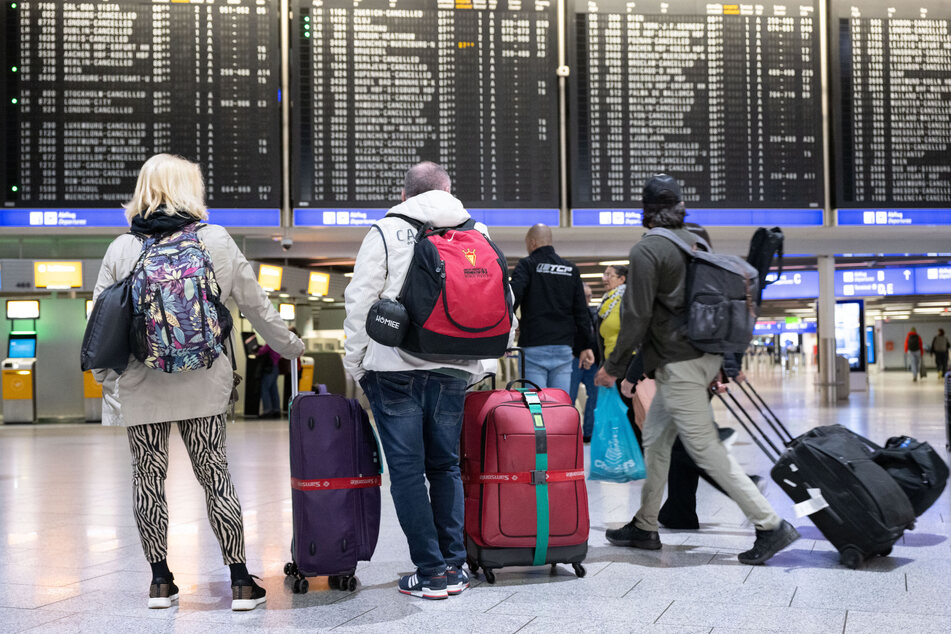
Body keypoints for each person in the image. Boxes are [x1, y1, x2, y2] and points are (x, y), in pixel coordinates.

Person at [92, 154, 304, 610]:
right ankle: (241, 581)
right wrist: (290, 347)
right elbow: (256, 306)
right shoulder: (217, 241)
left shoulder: (122, 249)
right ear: (193, 189)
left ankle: (160, 582)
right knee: (216, 477)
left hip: (141, 384)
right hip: (205, 382)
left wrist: (109, 385)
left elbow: (100, 325)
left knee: (147, 480)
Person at [594, 173, 799, 565]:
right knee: (655, 441)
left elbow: (636, 316)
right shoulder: (695, 241)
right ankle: (645, 524)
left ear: (646, 211)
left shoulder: (648, 250)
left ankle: (770, 524)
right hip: (698, 359)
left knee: (704, 449)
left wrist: (614, 367)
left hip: (681, 366)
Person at [344, 161, 515, 600]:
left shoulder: (385, 230)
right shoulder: (479, 233)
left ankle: (430, 571)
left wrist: (355, 364)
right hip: (455, 367)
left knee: (406, 470)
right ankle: (455, 567)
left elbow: (361, 298)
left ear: (406, 195)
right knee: (445, 466)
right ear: (448, 190)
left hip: (393, 366)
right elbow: (499, 297)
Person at [510, 224, 595, 392]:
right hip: (563, 348)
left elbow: (512, 298)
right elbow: (581, 311)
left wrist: (514, 323)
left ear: (533, 243)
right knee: (560, 403)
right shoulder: (571, 269)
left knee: (536, 406)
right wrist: (586, 345)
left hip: (533, 346)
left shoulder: (527, 265)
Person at [570, 283, 600, 442]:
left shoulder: (593, 312)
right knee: (569, 397)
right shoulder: (569, 313)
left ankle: (589, 433)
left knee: (594, 396)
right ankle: (569, 435)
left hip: (591, 361)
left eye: (590, 296)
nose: (588, 299)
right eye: (585, 296)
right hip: (573, 359)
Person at [256, 342, 281, 417]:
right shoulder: (277, 343)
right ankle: (276, 409)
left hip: (270, 368)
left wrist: (257, 349)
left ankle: (267, 410)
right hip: (276, 367)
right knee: (274, 390)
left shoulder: (270, 343)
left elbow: (261, 351)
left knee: (265, 389)